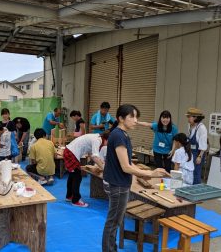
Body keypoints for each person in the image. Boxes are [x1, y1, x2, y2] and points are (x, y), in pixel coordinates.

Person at [102, 104, 170, 252]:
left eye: (136, 116)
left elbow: (129, 163)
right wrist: (151, 174)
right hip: (118, 185)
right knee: (113, 222)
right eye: (131, 116)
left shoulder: (122, 134)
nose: (135, 120)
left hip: (120, 183)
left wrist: (146, 172)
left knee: (115, 221)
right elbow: (126, 167)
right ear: (121, 118)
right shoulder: (119, 135)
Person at [64, 132, 109, 207]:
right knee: (77, 177)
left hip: (69, 152)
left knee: (72, 175)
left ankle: (69, 196)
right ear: (107, 139)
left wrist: (100, 162)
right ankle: (76, 200)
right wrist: (105, 169)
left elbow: (92, 154)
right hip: (71, 153)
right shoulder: (97, 140)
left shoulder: (97, 137)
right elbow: (94, 157)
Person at [186, 107, 208, 184]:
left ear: (196, 117)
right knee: (189, 171)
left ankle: (195, 191)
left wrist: (200, 156)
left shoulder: (202, 128)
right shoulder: (189, 126)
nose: (188, 119)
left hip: (198, 153)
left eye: (189, 117)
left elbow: (203, 145)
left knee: (196, 172)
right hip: (190, 152)